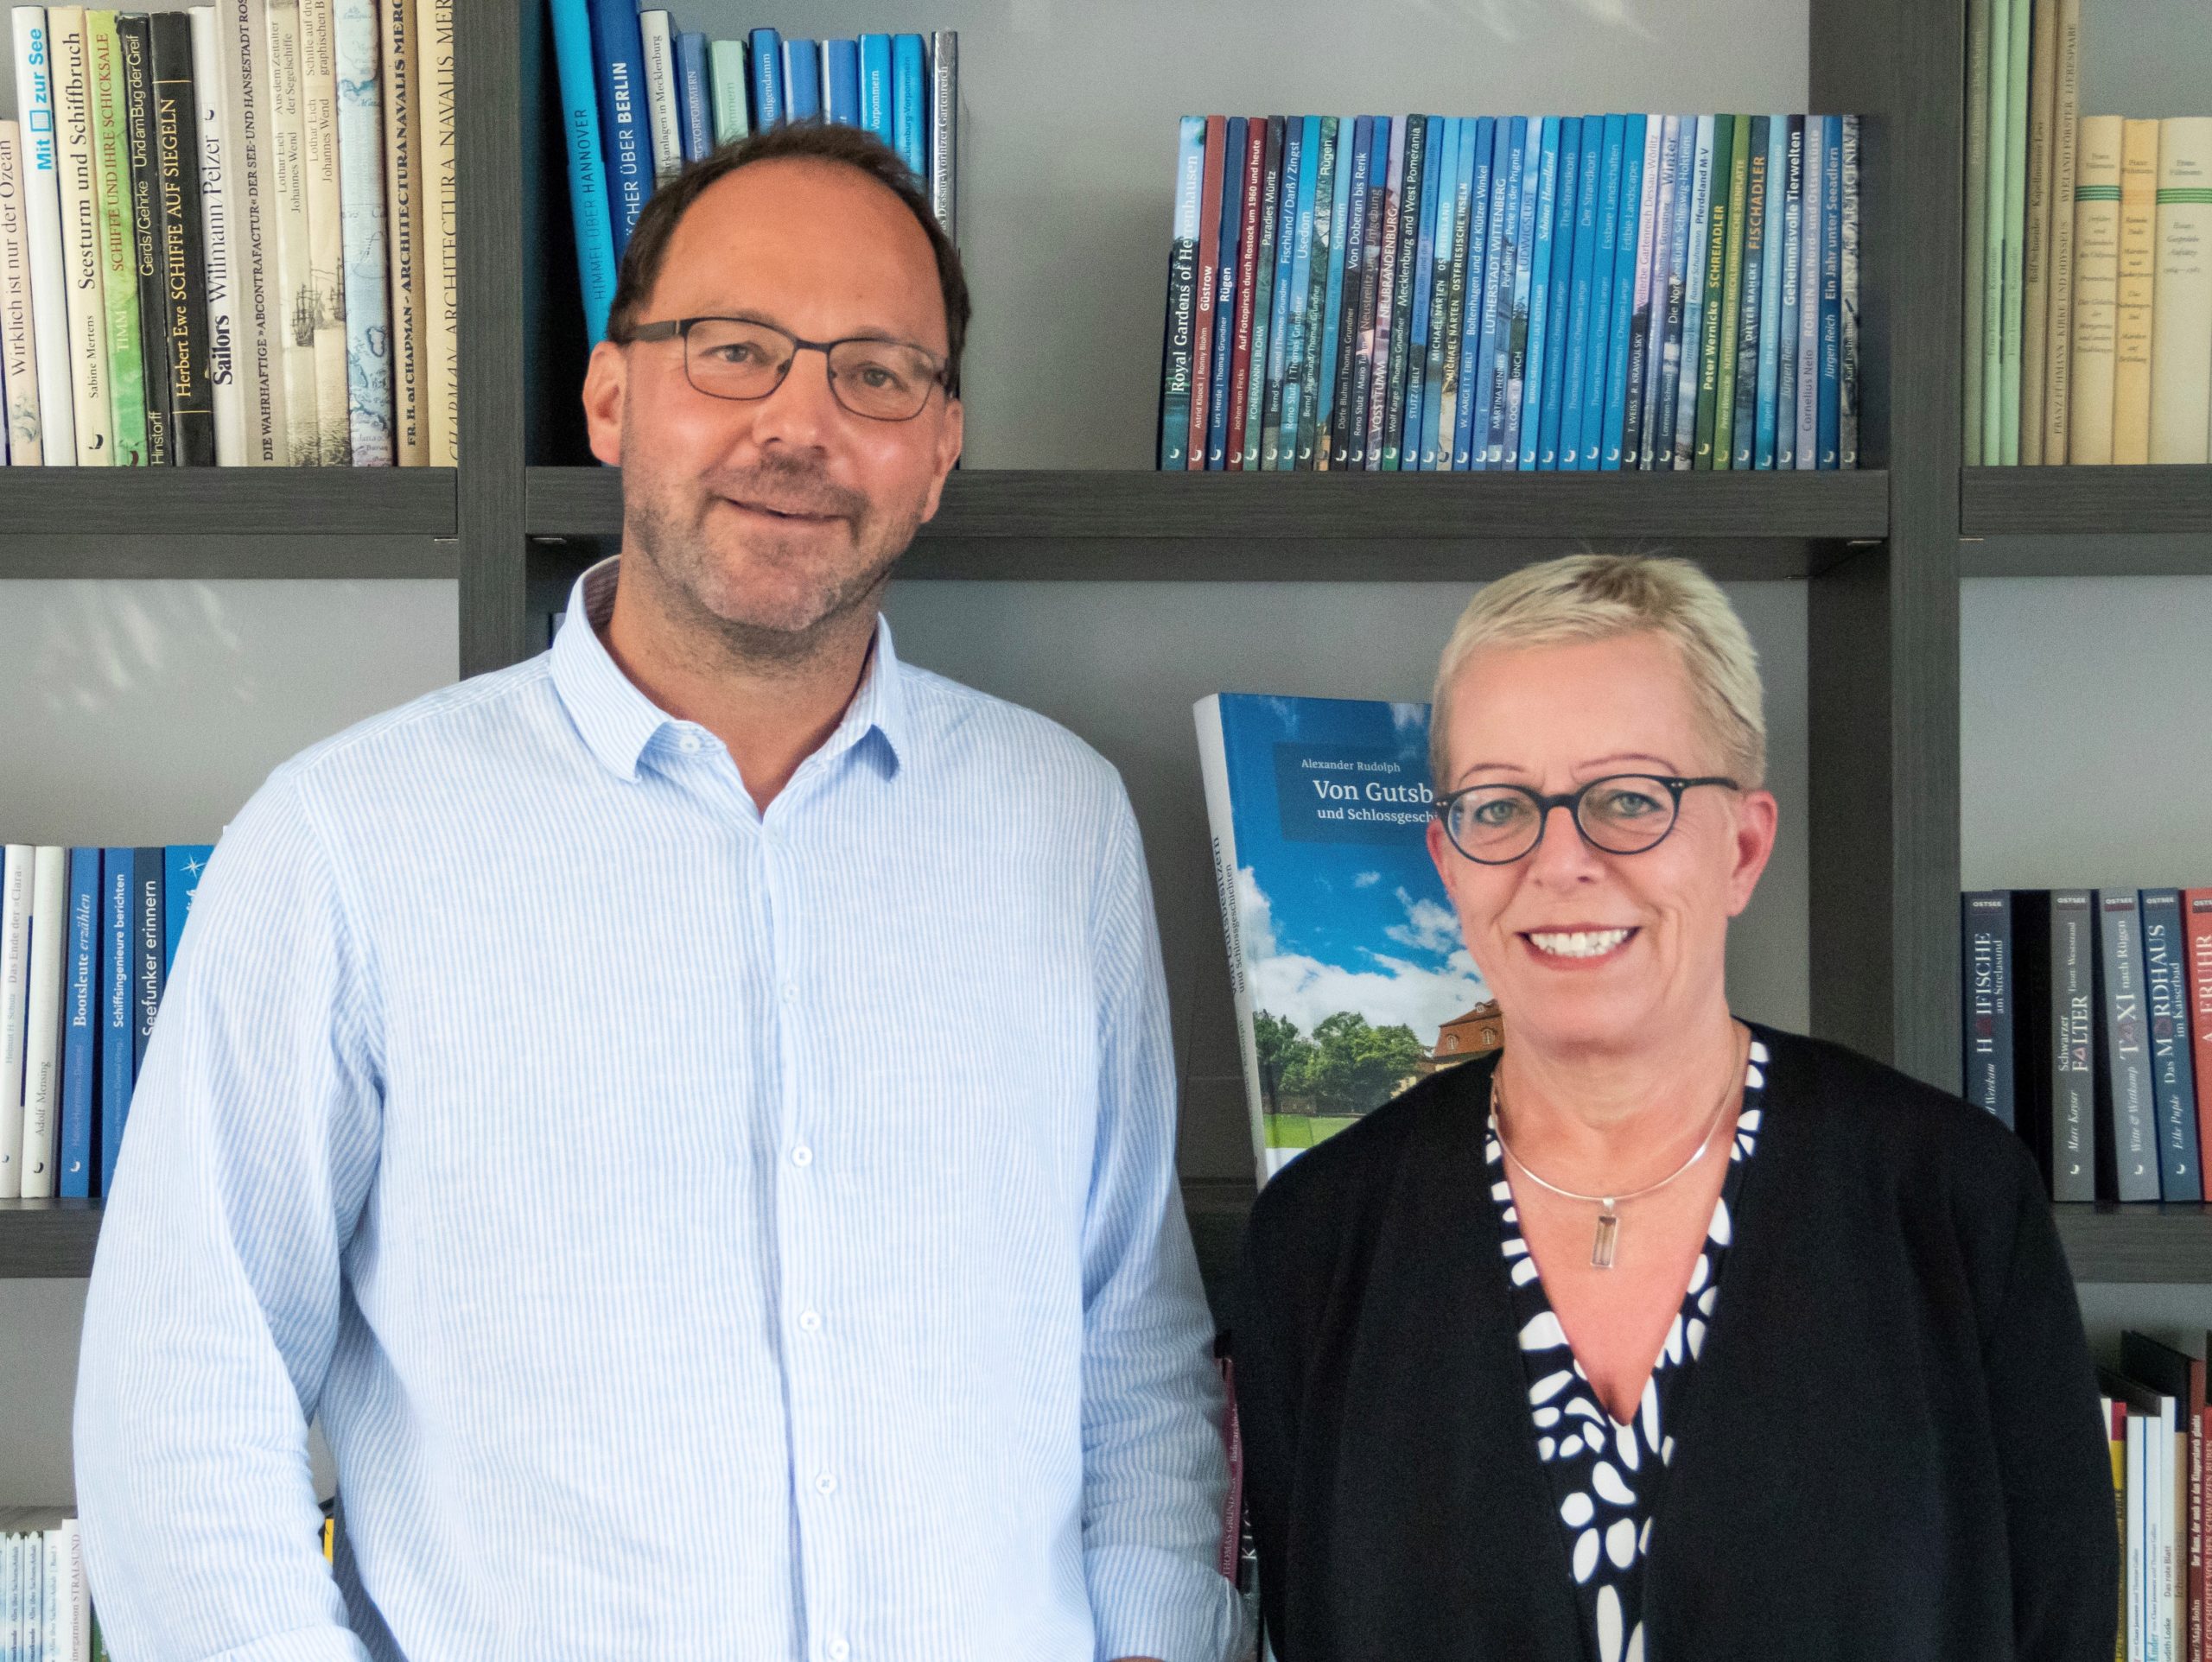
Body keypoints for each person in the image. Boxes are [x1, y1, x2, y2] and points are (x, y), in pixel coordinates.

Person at [75, 123, 1238, 1662]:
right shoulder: (347, 843)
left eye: (878, 373)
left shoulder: (1062, 822)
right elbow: (183, 1396)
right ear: (613, 397)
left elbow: (1129, 1344)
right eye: (735, 351)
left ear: (942, 448)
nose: (801, 425)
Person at [1231, 554, 2115, 1662]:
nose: (1560, 861)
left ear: (1742, 847)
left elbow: (2059, 1625)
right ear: (1448, 862)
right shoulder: (1317, 1238)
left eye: (1628, 800)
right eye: (1498, 806)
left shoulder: (1954, 1201)